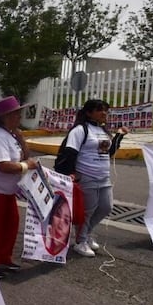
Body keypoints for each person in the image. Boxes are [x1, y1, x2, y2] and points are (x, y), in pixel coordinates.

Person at [56, 99, 127, 257]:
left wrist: (118, 137)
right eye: (99, 110)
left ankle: (86, 234)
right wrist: (71, 173)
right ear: (89, 112)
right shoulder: (80, 130)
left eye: (106, 110)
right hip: (86, 176)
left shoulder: (102, 131)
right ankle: (80, 242)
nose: (104, 113)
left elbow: (107, 153)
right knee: (88, 211)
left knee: (105, 207)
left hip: (104, 176)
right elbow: (69, 152)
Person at [0, 96, 37, 277]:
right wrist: (27, 166)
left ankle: (4, 259)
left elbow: (24, 156)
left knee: (10, 225)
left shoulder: (10, 135)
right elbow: (3, 165)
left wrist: (21, 138)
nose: (19, 117)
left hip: (8, 191)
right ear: (5, 117)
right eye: (15, 114)